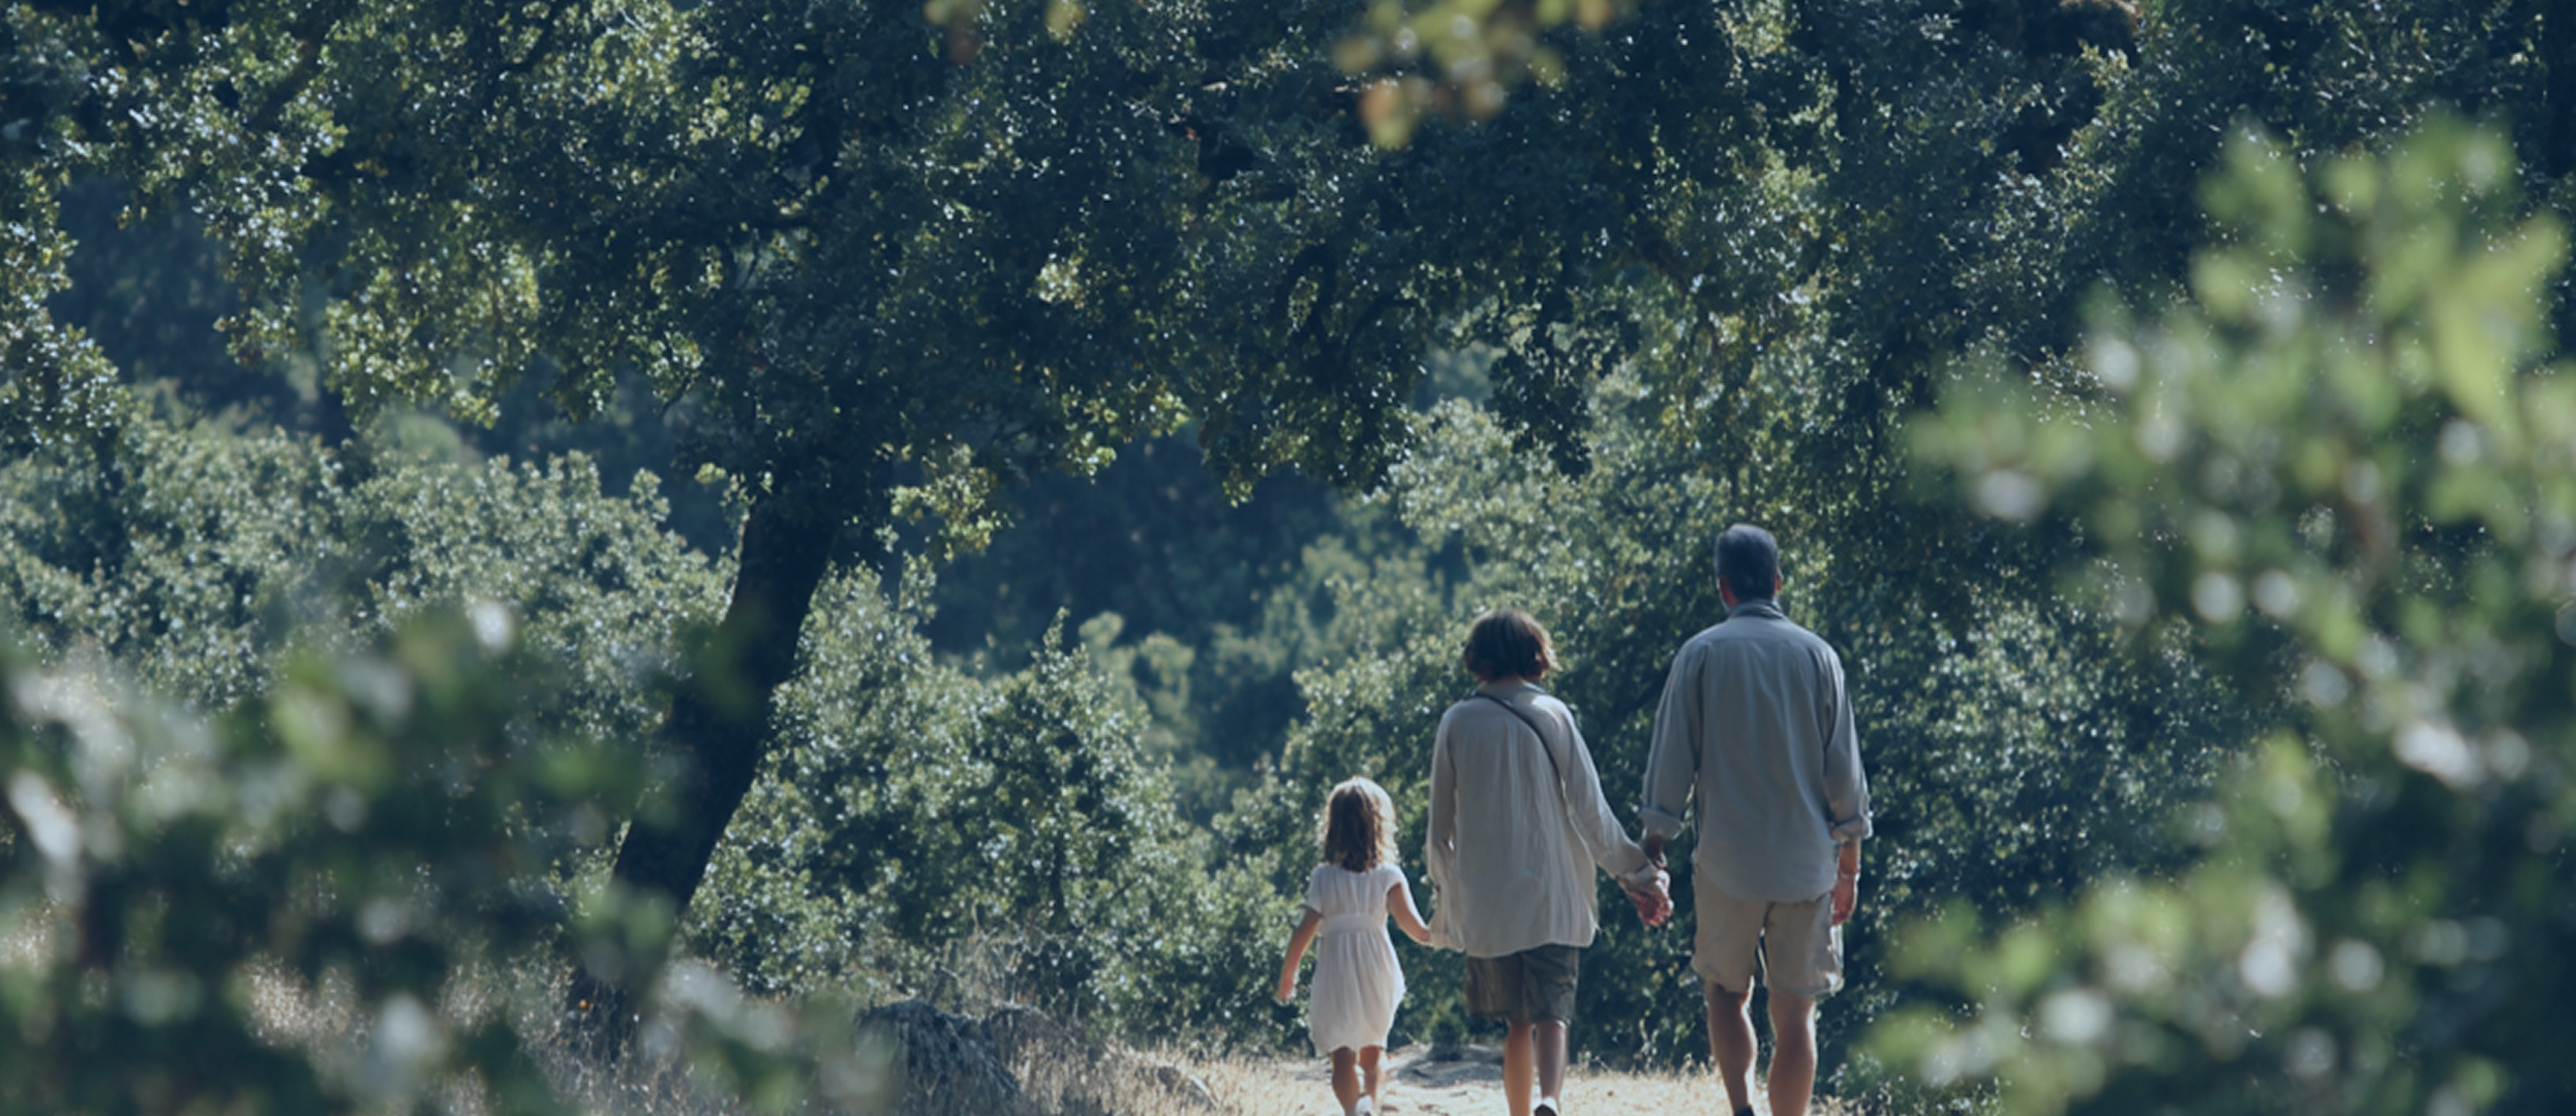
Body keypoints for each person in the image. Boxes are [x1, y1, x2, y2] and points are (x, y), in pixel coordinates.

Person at [1639, 524, 1872, 1116]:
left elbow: (1672, 763)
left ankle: (1742, 1108)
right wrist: (1850, 865)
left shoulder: (1701, 654)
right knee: (1795, 1012)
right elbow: (1844, 773)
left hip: (1726, 862)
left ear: (1723, 587)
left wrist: (1654, 846)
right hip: (1807, 863)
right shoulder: (1819, 655)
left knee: (1725, 991)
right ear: (1777, 582)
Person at [1426, 608, 1670, 1116]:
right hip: (1552, 890)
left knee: (1517, 1021)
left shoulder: (1456, 722)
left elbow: (1438, 831)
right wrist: (1640, 876)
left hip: (1489, 900)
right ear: (1533, 654)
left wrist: (1450, 904)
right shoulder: (1554, 715)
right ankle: (1551, 1099)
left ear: (1479, 657)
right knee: (1553, 1013)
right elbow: (1592, 814)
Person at [1277, 777, 1435, 1116]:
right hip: (1376, 967)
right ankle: (1371, 1106)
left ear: (1333, 826)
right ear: (1379, 824)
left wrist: (1289, 973)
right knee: (1374, 1052)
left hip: (1335, 970)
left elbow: (1304, 929)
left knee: (1341, 1055)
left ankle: (1354, 1111)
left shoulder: (1323, 877)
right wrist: (1442, 931)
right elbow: (1417, 930)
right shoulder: (1389, 875)